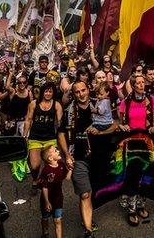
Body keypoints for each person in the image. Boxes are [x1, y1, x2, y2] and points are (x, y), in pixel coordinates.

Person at [58, 81, 115, 237]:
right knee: (85, 194)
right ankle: (88, 232)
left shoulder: (100, 105)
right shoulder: (69, 110)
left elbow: (115, 123)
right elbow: (61, 133)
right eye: (77, 92)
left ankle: (85, 218)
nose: (81, 94)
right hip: (78, 157)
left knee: (92, 191)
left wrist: (100, 132)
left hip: (99, 156)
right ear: (74, 94)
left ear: (88, 90)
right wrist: (67, 155)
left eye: (84, 90)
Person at [118, 74, 154, 226]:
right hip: (132, 144)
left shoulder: (152, 101)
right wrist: (122, 126)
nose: (141, 85)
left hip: (148, 144)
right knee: (133, 176)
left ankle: (141, 205)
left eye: (143, 82)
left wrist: (153, 126)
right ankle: (131, 210)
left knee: (145, 175)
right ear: (133, 85)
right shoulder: (126, 102)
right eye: (137, 83)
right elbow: (121, 121)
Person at [23, 82, 63, 194]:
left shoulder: (56, 105)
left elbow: (60, 122)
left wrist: (63, 133)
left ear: (53, 93)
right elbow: (28, 119)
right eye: (46, 91)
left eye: (50, 91)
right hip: (35, 138)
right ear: (42, 92)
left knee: (51, 163)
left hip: (50, 139)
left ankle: (47, 182)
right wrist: (25, 135)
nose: (48, 93)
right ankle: (35, 180)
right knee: (35, 166)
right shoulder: (34, 104)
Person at [38, 145, 68, 238]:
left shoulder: (62, 165)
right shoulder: (46, 170)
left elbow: (67, 178)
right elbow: (44, 187)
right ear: (50, 158)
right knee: (45, 217)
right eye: (55, 151)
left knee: (57, 220)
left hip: (58, 197)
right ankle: (45, 232)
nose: (58, 151)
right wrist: (47, 202)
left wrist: (70, 169)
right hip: (47, 199)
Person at [5, 69, 33, 136]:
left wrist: (29, 121)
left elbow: (31, 108)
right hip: (12, 121)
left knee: (24, 139)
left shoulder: (29, 93)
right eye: (20, 82)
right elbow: (7, 87)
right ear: (17, 83)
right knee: (12, 140)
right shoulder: (13, 91)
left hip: (23, 121)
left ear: (26, 83)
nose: (22, 84)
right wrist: (10, 75)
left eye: (24, 82)